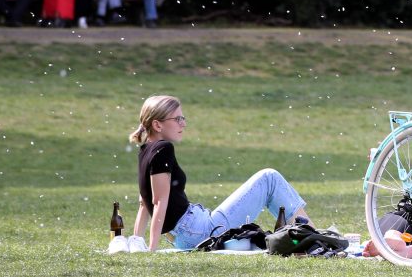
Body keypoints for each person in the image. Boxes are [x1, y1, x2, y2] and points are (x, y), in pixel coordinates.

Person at [130, 95, 312, 251]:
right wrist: (151, 249)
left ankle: (310, 236)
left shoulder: (145, 151)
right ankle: (314, 237)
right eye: (177, 119)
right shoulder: (163, 148)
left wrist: (136, 241)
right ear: (157, 125)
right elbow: (158, 201)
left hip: (186, 234)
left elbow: (143, 204)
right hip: (199, 231)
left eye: (183, 118)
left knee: (268, 179)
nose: (183, 124)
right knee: (269, 177)